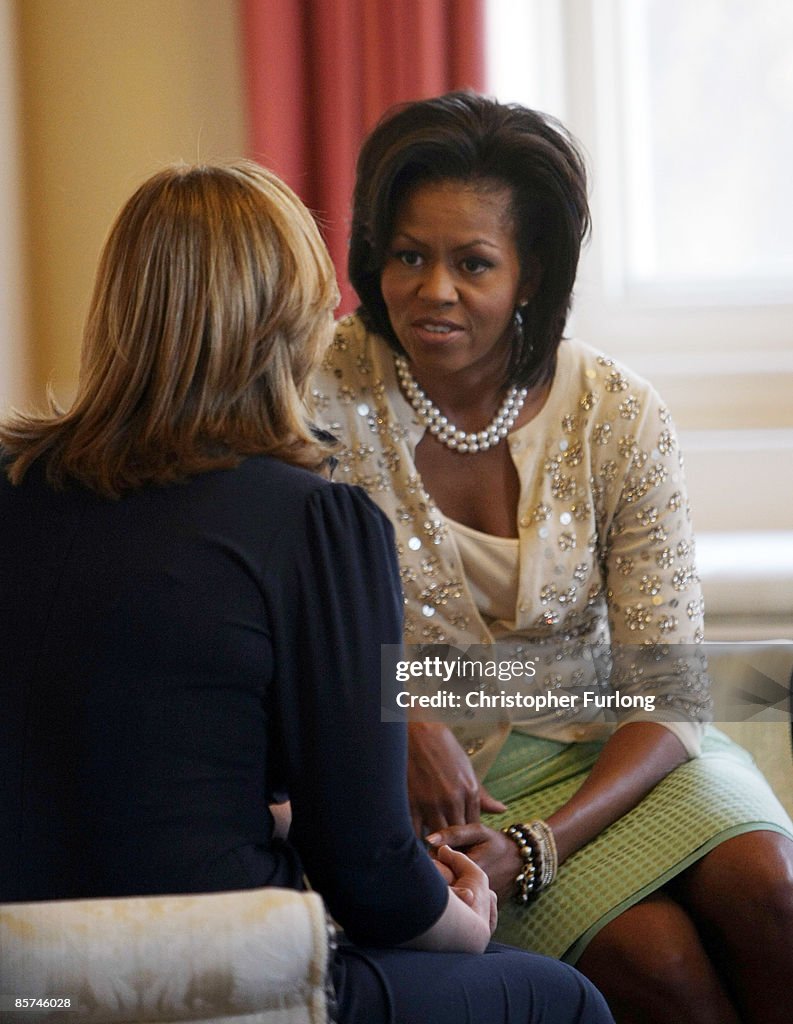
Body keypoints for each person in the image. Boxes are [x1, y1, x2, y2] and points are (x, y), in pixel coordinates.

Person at [0, 160, 614, 1024]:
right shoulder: (314, 524)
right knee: (557, 995)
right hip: (214, 980)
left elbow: (112, 770)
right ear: (287, 322)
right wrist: (461, 919)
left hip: (28, 983)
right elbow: (365, 865)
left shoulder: (14, 486)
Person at [313, 92, 793, 1023]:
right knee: (653, 962)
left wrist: (536, 847)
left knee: (769, 891)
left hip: (627, 756)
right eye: (409, 255)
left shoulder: (618, 413)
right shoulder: (315, 393)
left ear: (530, 275)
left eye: (472, 263)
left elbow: (667, 689)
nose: (433, 289)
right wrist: (400, 714)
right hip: (456, 798)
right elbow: (269, 617)